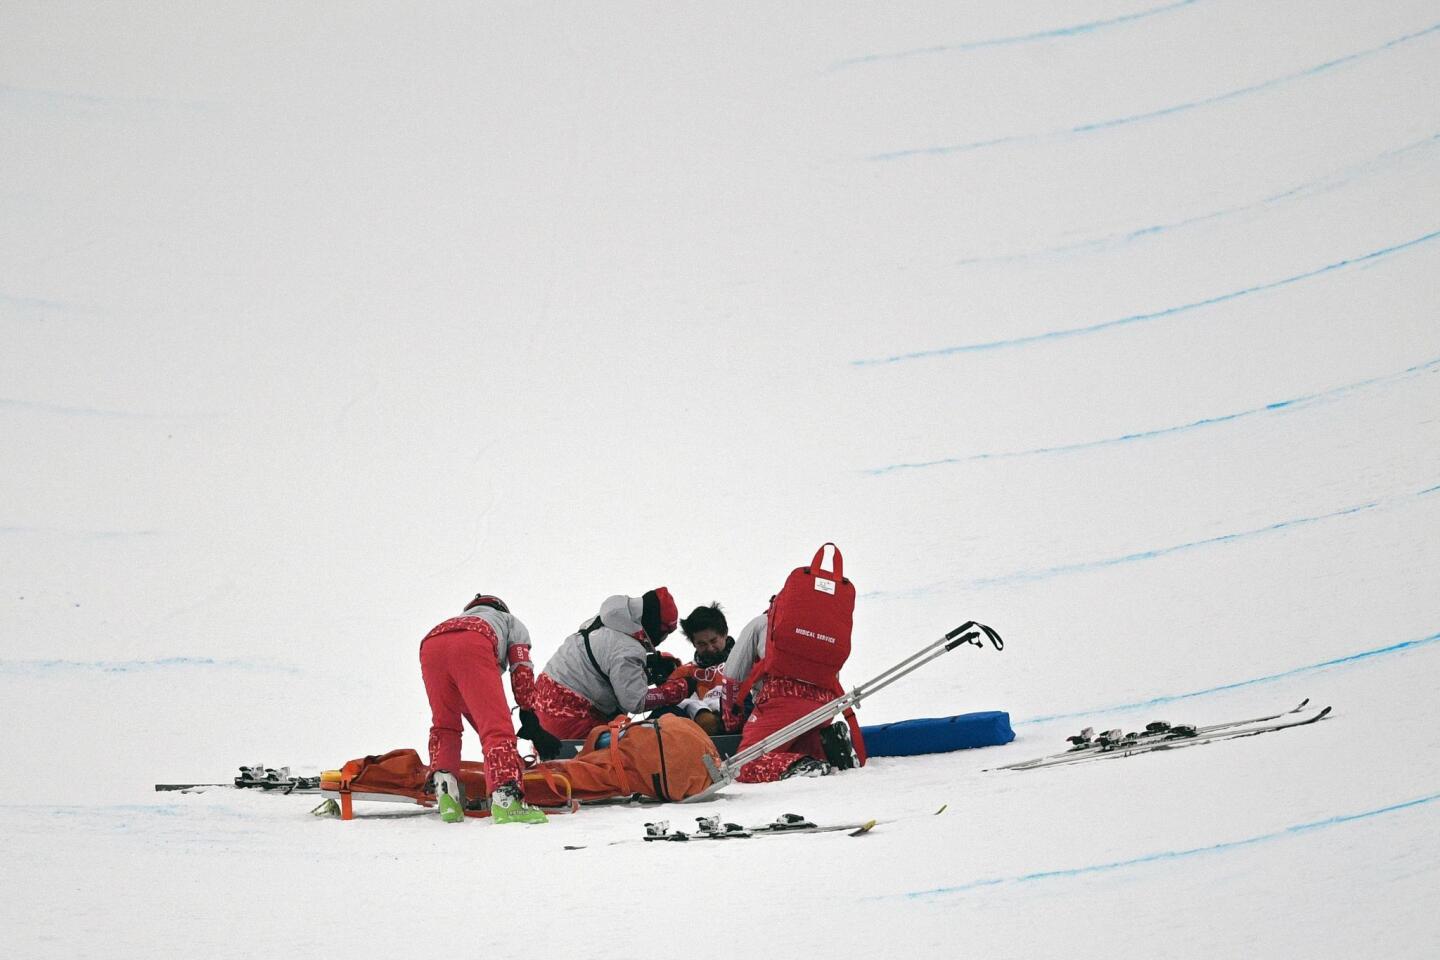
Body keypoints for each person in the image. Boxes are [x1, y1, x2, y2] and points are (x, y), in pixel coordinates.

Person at [419, 593, 549, 825]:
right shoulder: (511, 622)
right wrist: (528, 709)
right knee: (497, 729)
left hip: (431, 645)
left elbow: (472, 707)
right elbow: (522, 669)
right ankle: (506, 802)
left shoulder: (456, 621)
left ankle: (447, 799)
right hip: (475, 643)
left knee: (445, 724)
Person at [723, 608, 866, 783]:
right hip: (826, 703)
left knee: (745, 764)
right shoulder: (819, 630)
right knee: (794, 745)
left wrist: (731, 722)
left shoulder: (761, 623)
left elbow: (732, 677)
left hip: (782, 700)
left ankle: (804, 767)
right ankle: (825, 748)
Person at [531, 588, 681, 741]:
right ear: (654, 624)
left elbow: (602, 663)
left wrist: (644, 671)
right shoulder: (629, 649)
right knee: (632, 750)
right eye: (665, 632)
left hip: (542, 702)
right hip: (570, 717)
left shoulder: (606, 620)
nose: (663, 638)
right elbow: (636, 701)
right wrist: (677, 689)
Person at [647, 603, 735, 734]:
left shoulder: (745, 662)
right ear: (693, 643)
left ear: (724, 634)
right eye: (702, 644)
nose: (710, 648)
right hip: (697, 736)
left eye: (713, 641)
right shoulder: (684, 673)